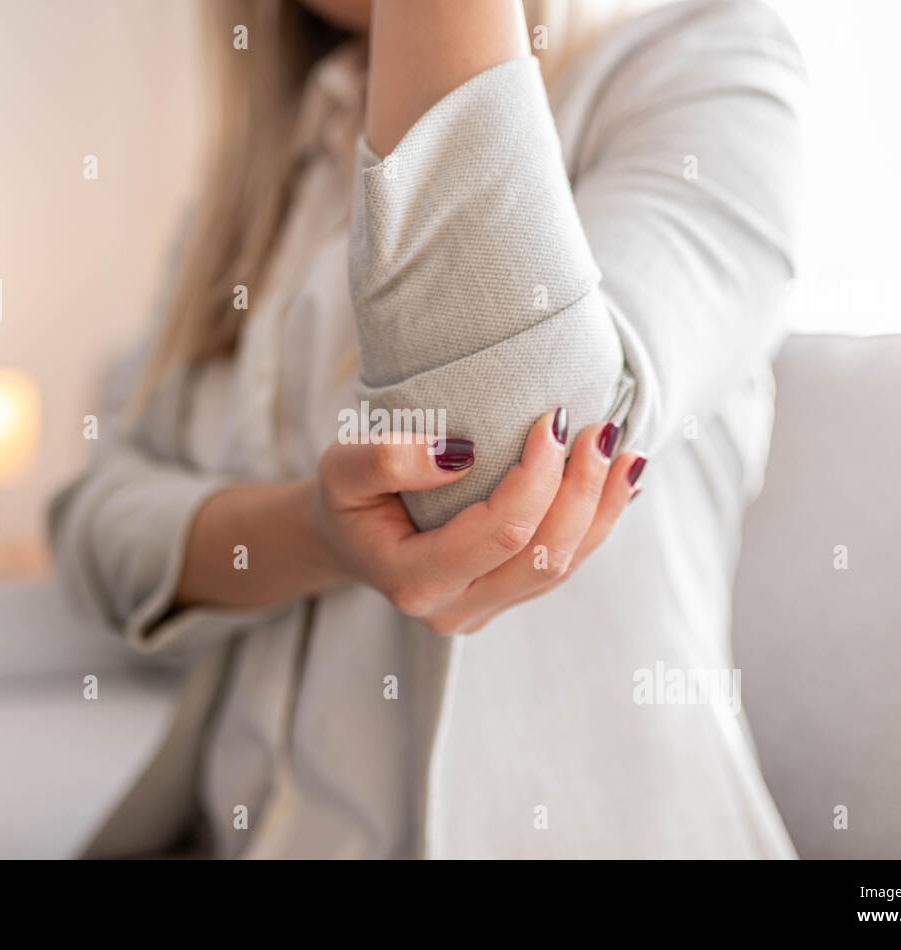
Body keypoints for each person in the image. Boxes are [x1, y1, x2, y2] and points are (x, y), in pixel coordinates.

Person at [50, 0, 805, 858]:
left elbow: (500, 459)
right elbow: (94, 530)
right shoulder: (282, 154)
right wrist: (316, 533)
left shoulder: (702, 65)